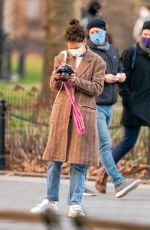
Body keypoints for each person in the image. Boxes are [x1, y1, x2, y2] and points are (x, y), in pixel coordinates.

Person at [31, 19, 106, 217]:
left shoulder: (97, 61)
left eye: (76, 47)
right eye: (69, 48)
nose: (72, 51)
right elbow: (53, 87)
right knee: (53, 160)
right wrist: (56, 77)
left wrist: (77, 81)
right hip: (62, 113)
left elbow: (98, 88)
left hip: (83, 115)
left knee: (79, 162)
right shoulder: (61, 57)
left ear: (83, 41)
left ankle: (75, 204)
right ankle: (50, 200)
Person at [84, 17, 140, 197]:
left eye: (97, 31)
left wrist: (121, 75)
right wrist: (103, 79)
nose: (95, 35)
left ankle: (78, 184)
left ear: (104, 31)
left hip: (109, 105)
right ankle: (118, 182)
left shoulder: (114, 50)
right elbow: (83, 78)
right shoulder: (87, 53)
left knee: (91, 145)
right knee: (105, 145)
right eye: (91, 33)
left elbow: (120, 67)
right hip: (94, 105)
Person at [96, 20, 150, 194]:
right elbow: (122, 77)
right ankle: (103, 173)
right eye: (145, 34)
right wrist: (128, 99)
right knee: (128, 141)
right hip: (134, 105)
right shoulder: (131, 52)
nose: (147, 37)